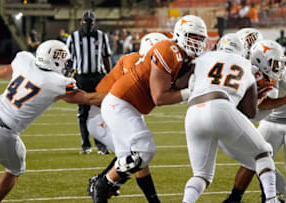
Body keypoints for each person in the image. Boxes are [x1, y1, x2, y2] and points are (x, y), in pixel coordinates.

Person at [90, 15, 207, 203]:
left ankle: (103, 189)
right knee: (144, 150)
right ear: (180, 34)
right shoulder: (168, 50)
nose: (197, 42)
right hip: (120, 103)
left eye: (201, 38)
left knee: (135, 160)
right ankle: (103, 183)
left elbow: (175, 84)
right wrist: (189, 92)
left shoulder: (183, 57)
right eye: (193, 37)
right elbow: (159, 97)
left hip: (130, 106)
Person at [0, 40, 99, 203]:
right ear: (54, 59)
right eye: (63, 58)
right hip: (3, 132)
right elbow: (87, 98)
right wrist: (118, 96)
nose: (65, 64)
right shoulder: (57, 82)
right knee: (15, 170)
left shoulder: (24, 60)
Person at [182, 33, 280, 203]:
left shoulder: (204, 58)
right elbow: (250, 112)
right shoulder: (245, 65)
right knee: (264, 152)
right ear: (242, 50)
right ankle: (272, 199)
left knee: (202, 175)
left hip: (192, 112)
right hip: (220, 106)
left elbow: (182, 82)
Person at [223, 40, 286, 203]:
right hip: (271, 119)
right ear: (260, 61)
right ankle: (240, 197)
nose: (279, 67)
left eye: (280, 63)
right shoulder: (250, 67)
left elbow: (267, 102)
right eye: (275, 63)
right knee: (255, 158)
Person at [86, 32, 169, 203]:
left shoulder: (145, 64)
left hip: (123, 109)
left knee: (137, 156)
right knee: (138, 154)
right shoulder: (134, 64)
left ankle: (103, 183)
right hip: (107, 113)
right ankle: (101, 183)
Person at [66, 10, 112, 155]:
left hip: (98, 77)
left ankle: (101, 145)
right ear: (81, 22)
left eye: (90, 21)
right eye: (86, 21)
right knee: (83, 112)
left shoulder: (101, 36)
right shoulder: (73, 37)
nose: (88, 24)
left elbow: (106, 57)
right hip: (81, 77)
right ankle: (85, 144)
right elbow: (68, 59)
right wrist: (67, 76)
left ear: (94, 22)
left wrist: (109, 76)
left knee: (100, 112)